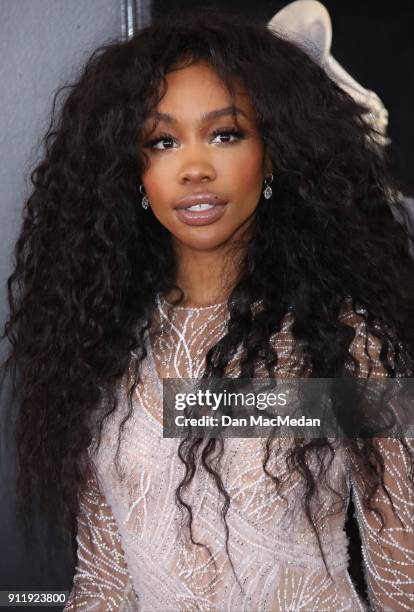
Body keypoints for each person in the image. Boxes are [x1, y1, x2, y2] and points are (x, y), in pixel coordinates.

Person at [2, 9, 414, 611]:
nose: (194, 167)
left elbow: (403, 582)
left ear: (273, 154)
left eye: (225, 134)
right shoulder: (104, 347)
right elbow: (103, 587)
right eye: (162, 141)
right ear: (134, 172)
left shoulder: (344, 339)